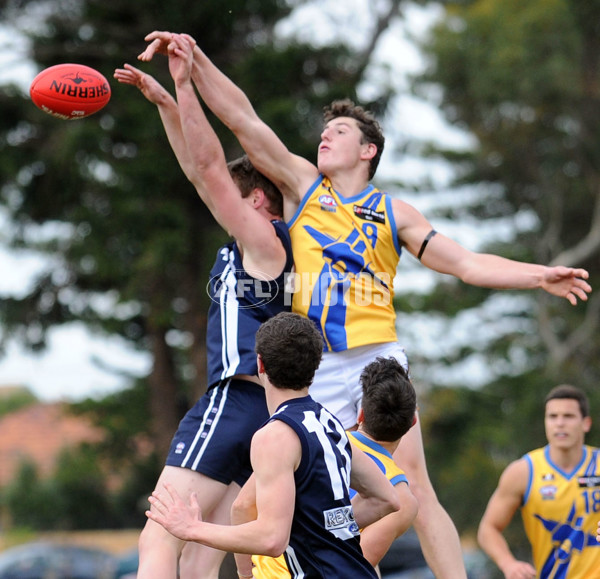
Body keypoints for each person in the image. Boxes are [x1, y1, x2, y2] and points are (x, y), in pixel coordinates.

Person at [138, 32, 592, 579]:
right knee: (251, 500)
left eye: (339, 131)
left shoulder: (393, 212)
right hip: (320, 368)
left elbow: (466, 263)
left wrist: (538, 274)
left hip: (378, 360)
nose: (324, 136)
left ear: (367, 150)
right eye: (324, 130)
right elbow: (243, 119)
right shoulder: (304, 188)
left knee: (413, 489)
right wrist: (194, 60)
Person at [114, 34, 294, 579]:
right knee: (196, 559)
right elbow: (200, 172)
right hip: (260, 415)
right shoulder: (249, 247)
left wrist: (185, 84)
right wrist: (170, 108)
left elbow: (212, 170)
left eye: (233, 198)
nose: (218, 203)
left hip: (235, 400)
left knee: (158, 537)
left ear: (257, 199)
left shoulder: (265, 243)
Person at [146, 311, 401, 579]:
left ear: (260, 365)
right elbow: (386, 498)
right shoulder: (330, 423)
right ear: (315, 368)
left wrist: (192, 528)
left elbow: (271, 539)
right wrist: (324, 529)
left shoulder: (275, 435)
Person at [237, 355, 419, 578]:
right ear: (412, 423)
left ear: (360, 413)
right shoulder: (401, 497)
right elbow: (357, 560)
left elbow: (243, 506)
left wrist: (246, 574)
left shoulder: (316, 437)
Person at [477, 384, 600, 579]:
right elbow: (487, 529)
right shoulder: (523, 472)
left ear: (586, 423)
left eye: (568, 416)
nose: (559, 423)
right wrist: (509, 564)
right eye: (552, 416)